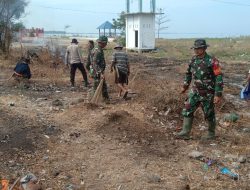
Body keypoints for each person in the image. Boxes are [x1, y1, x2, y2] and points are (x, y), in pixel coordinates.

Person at [177, 39, 223, 140]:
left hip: (207, 92)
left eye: (199, 48)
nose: (196, 50)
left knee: (208, 112)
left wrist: (218, 94)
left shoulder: (212, 61)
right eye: (195, 49)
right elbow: (188, 74)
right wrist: (185, 86)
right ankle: (185, 132)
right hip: (195, 91)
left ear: (204, 48)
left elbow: (219, 77)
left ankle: (211, 134)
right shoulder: (193, 60)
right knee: (188, 108)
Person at [91, 35, 109, 101]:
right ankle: (92, 101)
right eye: (106, 43)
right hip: (97, 72)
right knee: (96, 86)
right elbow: (94, 63)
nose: (106, 44)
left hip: (97, 71)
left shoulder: (98, 49)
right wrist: (100, 73)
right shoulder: (97, 51)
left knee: (103, 85)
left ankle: (106, 100)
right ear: (102, 43)